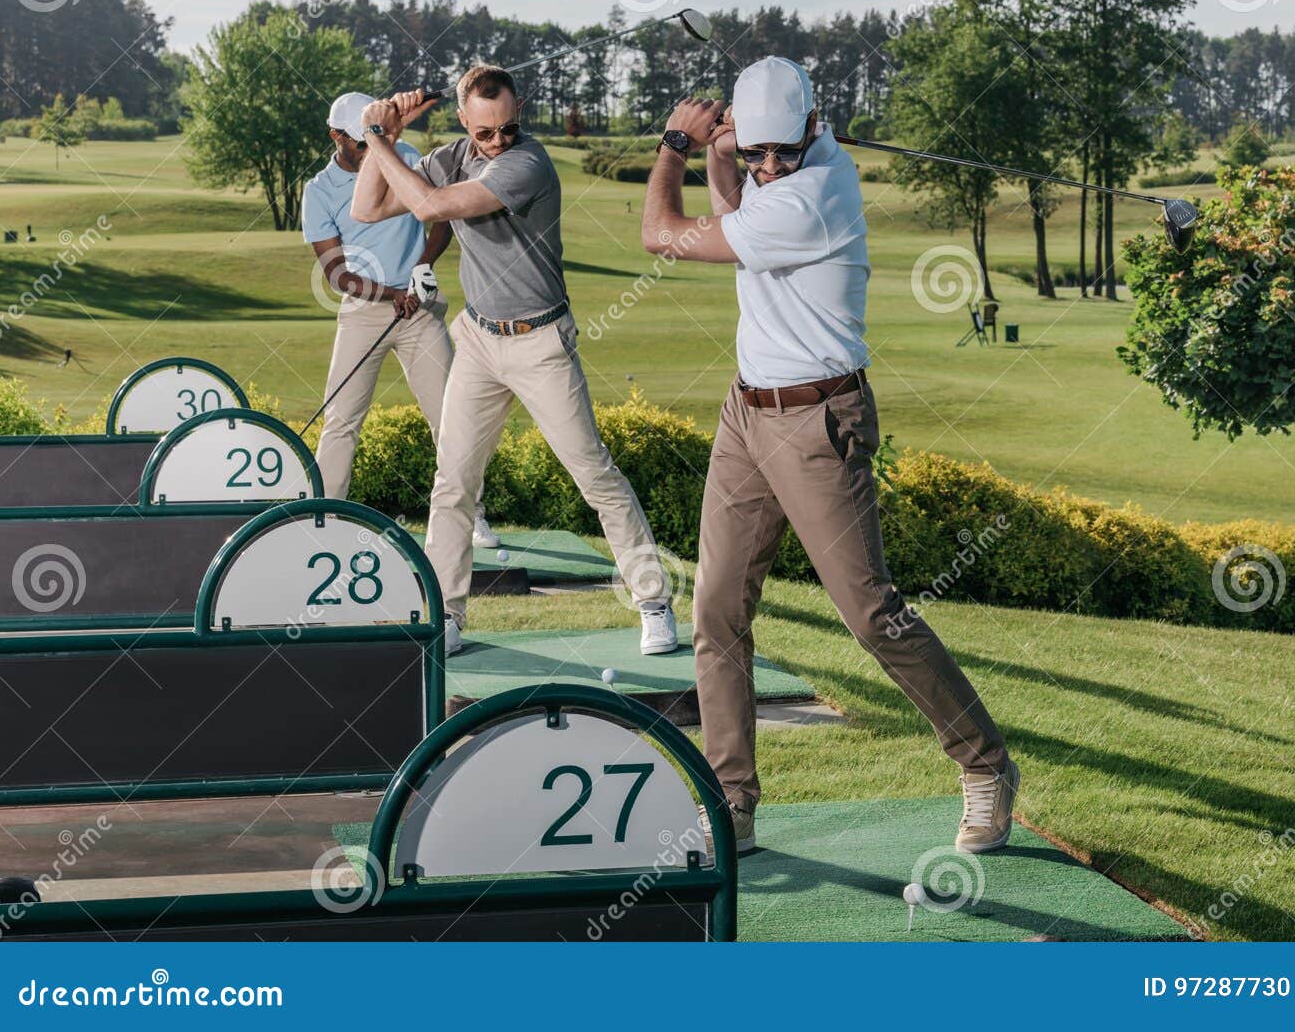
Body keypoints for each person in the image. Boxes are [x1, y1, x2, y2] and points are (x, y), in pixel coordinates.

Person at [639, 57, 1018, 855]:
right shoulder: (792, 165)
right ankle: (731, 801)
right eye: (758, 155)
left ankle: (985, 766)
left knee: (872, 613)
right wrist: (725, 156)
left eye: (784, 153)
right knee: (714, 612)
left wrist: (678, 143)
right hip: (747, 414)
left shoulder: (815, 196)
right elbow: (740, 219)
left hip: (819, 425)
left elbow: (663, 236)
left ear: (816, 127)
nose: (771, 169)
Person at [350, 68, 676, 656]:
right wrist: (389, 137)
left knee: (594, 475)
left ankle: (653, 602)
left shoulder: (528, 163)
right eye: (484, 132)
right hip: (478, 338)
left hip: (540, 341)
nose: (497, 140)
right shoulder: (452, 156)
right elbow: (367, 207)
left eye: (506, 127)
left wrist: (377, 137)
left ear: (519, 110)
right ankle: (447, 615)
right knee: (452, 484)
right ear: (463, 119)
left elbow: (430, 208)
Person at [302, 93, 499, 553]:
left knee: (452, 417)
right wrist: (391, 294)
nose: (373, 151)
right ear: (336, 137)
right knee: (341, 419)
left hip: (420, 312)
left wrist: (421, 269)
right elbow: (336, 273)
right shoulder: (319, 190)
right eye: (362, 142)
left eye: (377, 139)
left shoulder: (404, 156)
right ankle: (324, 517)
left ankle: (474, 516)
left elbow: (442, 216)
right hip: (364, 314)